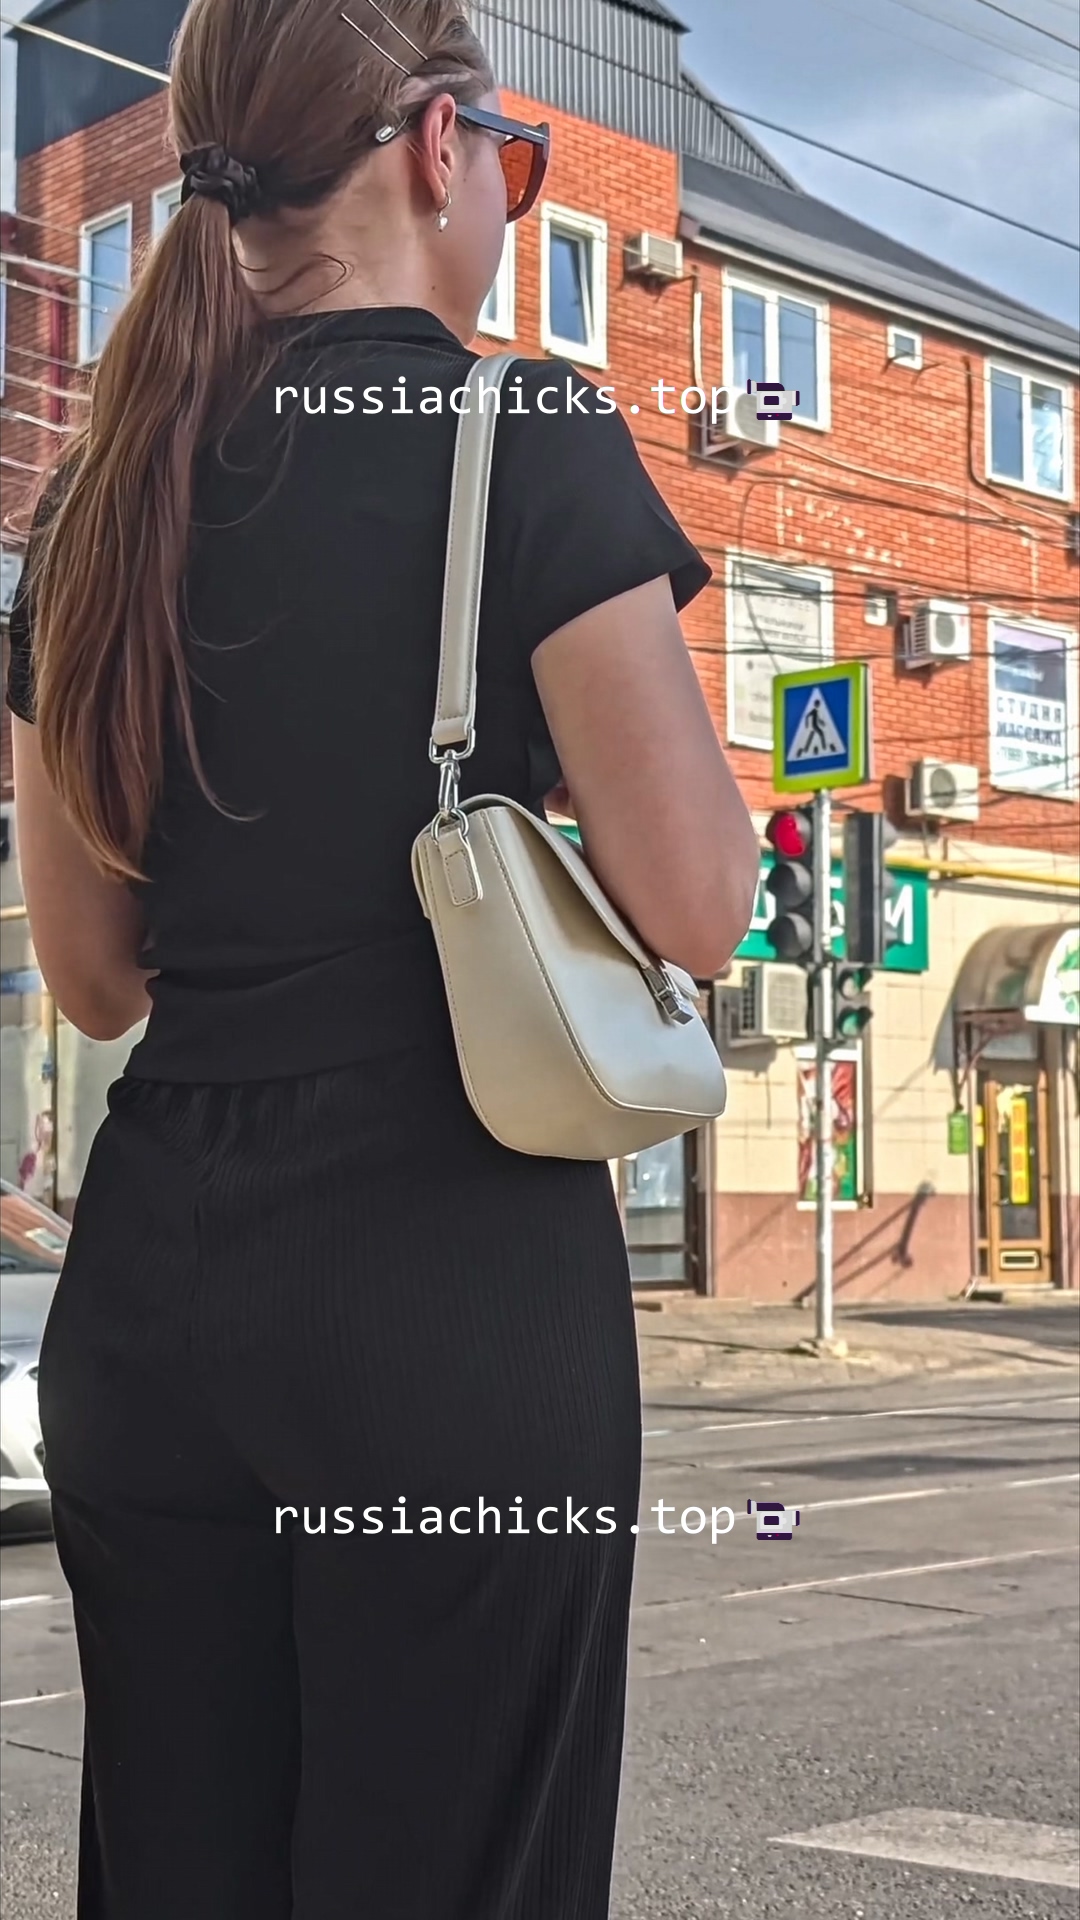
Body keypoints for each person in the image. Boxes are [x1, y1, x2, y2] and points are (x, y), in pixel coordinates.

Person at [5, 2, 759, 1914]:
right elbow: (696, 905)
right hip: (446, 1304)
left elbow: (90, 982)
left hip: (154, 1306)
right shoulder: (524, 432)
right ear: (438, 146)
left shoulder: (93, 504)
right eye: (513, 162)